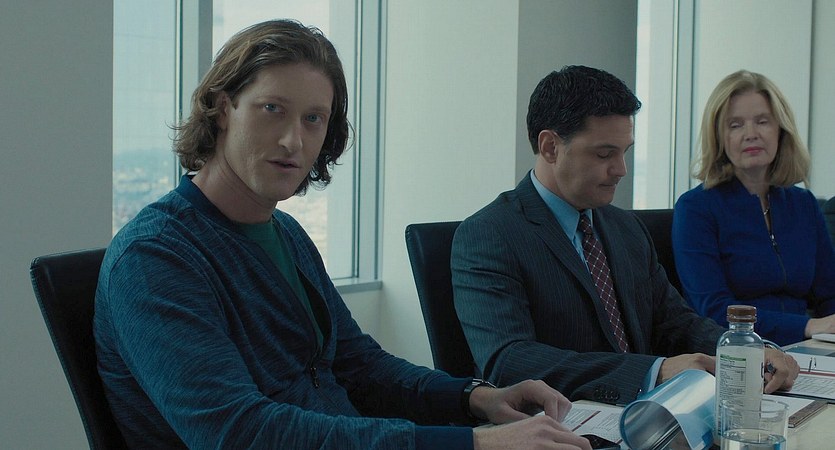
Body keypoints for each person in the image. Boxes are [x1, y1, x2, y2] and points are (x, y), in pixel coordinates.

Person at [94, 20, 592, 450]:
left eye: (313, 119)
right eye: (272, 109)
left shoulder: (285, 233)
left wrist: (478, 398)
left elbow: (359, 366)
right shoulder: (154, 257)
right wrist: (475, 442)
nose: (294, 140)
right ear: (223, 109)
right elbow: (237, 432)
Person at [451, 65, 799, 406]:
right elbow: (509, 361)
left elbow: (675, 322)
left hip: (651, 415)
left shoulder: (625, 227)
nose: (621, 170)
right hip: (558, 424)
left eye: (625, 152)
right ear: (550, 147)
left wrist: (748, 350)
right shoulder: (489, 234)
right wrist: (652, 372)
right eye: (604, 154)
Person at [672, 69, 835, 346]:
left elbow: (829, 294)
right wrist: (808, 326)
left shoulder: (803, 203)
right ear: (719, 137)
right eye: (735, 125)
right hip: (736, 352)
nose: (751, 134)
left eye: (762, 121)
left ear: (781, 130)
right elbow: (713, 310)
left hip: (807, 348)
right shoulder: (696, 208)